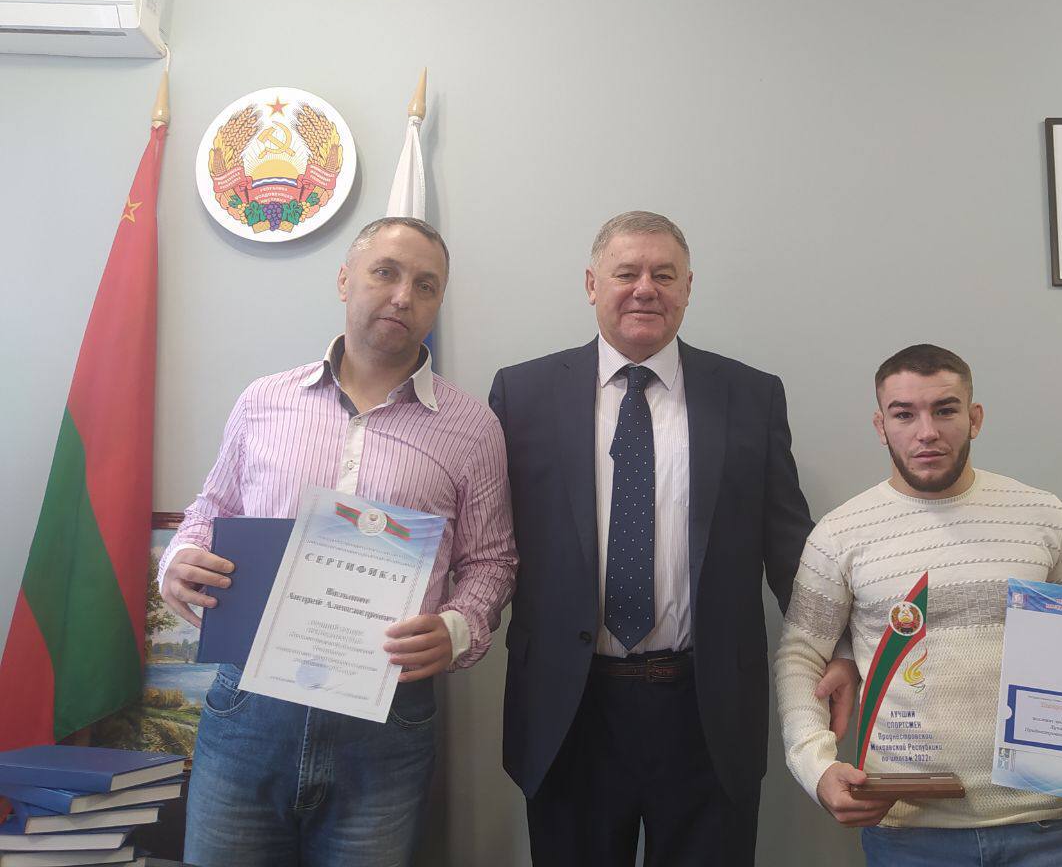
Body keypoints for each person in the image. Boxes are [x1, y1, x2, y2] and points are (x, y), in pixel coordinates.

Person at [489, 211, 857, 866]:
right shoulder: (523, 393)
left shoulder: (750, 395)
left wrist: (842, 646)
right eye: (626, 273)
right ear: (591, 284)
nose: (645, 289)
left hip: (705, 709)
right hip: (569, 708)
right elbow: (489, 539)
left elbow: (789, 548)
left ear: (688, 287)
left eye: (664, 275)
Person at [158, 217, 517, 867]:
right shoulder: (264, 401)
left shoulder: (473, 427)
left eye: (426, 285)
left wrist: (458, 628)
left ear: (438, 302)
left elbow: (491, 561)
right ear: (344, 279)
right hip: (249, 707)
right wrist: (180, 560)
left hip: (387, 723)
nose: (404, 296)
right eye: (386, 272)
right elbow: (211, 510)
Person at [774, 344, 1062, 867]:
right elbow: (801, 656)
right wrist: (816, 767)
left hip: (1044, 829)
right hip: (909, 833)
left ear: (975, 418)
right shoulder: (840, 534)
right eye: (904, 414)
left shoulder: (1043, 516)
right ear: (881, 425)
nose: (927, 432)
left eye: (945, 410)